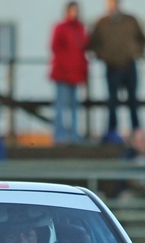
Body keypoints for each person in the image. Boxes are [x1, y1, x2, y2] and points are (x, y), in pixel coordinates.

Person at [88, 0, 145, 144]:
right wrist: (104, 57)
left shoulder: (130, 20)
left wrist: (135, 53)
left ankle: (137, 132)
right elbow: (93, 44)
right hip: (112, 67)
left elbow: (143, 40)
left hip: (129, 65)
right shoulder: (101, 23)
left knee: (133, 100)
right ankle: (112, 131)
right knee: (112, 101)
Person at [50, 2, 88, 145]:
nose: (75, 13)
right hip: (62, 74)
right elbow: (55, 48)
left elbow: (82, 51)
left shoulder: (80, 29)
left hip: (76, 74)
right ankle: (59, 135)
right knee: (61, 105)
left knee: (74, 106)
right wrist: (66, 67)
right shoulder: (61, 28)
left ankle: (74, 135)